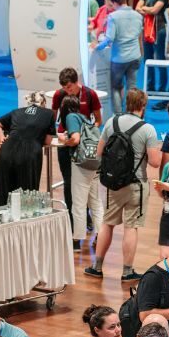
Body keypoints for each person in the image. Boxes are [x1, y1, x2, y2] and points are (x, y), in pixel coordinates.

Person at [86, 89, 161, 280]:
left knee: (107, 223)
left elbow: (99, 152)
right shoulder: (148, 129)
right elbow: (155, 162)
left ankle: (97, 267)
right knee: (131, 227)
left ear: (127, 102)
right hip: (136, 184)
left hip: (112, 183)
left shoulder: (112, 122)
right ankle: (127, 271)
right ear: (143, 106)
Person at [50, 67, 101, 217]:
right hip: (65, 144)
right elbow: (52, 119)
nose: (67, 91)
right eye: (64, 88)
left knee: (86, 182)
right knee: (68, 181)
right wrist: (60, 136)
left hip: (84, 146)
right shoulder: (59, 95)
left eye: (69, 87)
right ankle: (71, 217)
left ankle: (86, 216)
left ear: (76, 81)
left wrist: (86, 135)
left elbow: (98, 121)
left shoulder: (90, 94)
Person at [0, 93, 56, 206]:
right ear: (43, 103)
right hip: (30, 153)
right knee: (27, 191)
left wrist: (2, 140)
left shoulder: (17, 111)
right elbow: (47, 141)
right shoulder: (49, 113)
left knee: (4, 188)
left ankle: (1, 214)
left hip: (7, 149)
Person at [58, 96, 103, 250]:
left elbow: (76, 139)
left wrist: (64, 140)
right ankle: (101, 236)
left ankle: (77, 240)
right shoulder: (85, 118)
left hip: (81, 164)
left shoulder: (71, 117)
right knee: (95, 202)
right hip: (94, 163)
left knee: (78, 203)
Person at [90, 0, 143, 112]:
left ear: (114, 3)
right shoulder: (138, 15)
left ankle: (118, 116)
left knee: (116, 88)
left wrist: (97, 46)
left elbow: (109, 38)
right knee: (132, 88)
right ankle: (131, 113)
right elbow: (139, 36)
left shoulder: (113, 17)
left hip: (119, 58)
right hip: (135, 56)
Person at [135, 0, 169, 91]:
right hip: (147, 28)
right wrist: (148, 9)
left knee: (160, 58)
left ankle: (162, 87)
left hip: (159, 28)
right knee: (147, 59)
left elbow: (155, 10)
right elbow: (137, 7)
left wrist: (145, 8)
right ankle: (150, 86)